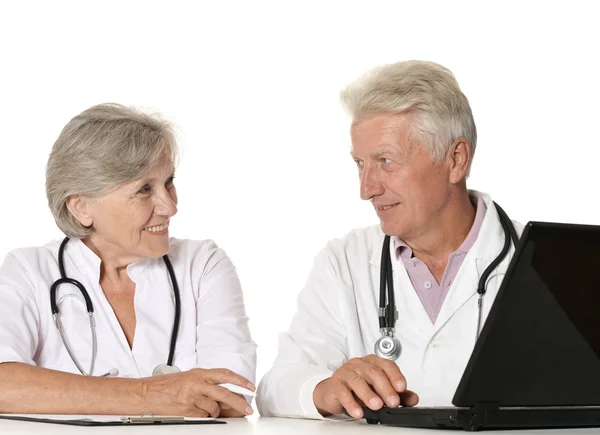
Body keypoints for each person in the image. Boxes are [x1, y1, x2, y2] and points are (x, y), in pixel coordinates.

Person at [256, 60, 523, 419]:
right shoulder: (345, 261)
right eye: (360, 164)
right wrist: (325, 388)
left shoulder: (547, 262)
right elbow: (276, 387)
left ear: (455, 160)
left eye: (385, 161)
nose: (366, 189)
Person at [0, 103, 256, 418]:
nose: (169, 206)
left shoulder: (202, 265)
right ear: (81, 207)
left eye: (169, 182)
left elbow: (233, 396)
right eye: (144, 190)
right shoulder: (29, 272)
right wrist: (152, 394)